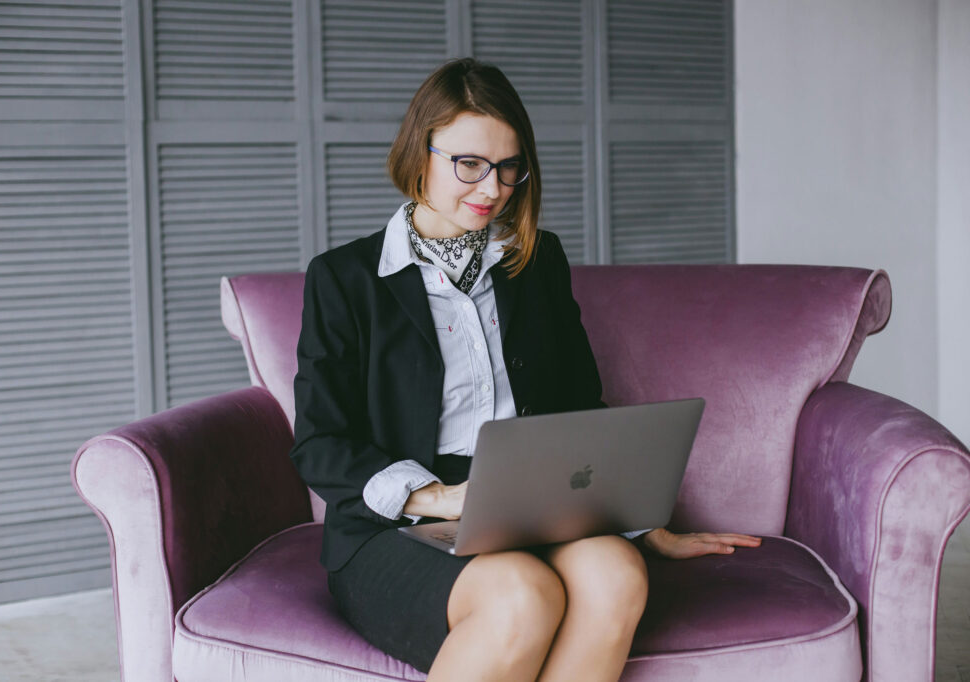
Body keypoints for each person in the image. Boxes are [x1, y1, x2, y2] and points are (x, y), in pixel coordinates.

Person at [290, 58, 761, 682]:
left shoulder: (537, 263)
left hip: (534, 501)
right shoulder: (344, 279)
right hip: (399, 522)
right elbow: (319, 442)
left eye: (509, 168)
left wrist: (646, 525)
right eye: (469, 165)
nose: (492, 189)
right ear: (419, 152)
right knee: (521, 597)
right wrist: (435, 497)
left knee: (618, 576)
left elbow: (576, 407)